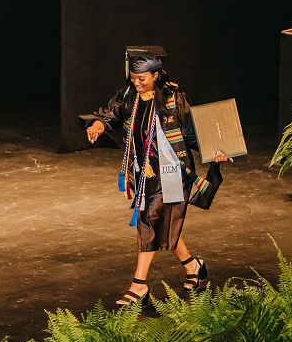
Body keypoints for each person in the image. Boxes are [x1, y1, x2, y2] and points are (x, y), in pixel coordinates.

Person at [82, 46, 227, 307]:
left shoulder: (174, 99)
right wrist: (99, 124)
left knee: (148, 221)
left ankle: (139, 285)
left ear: (156, 74)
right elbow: (112, 115)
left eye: (142, 79)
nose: (136, 83)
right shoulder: (129, 96)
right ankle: (194, 266)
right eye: (134, 78)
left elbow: (193, 134)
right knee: (163, 225)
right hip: (144, 173)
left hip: (172, 172)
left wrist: (217, 151)